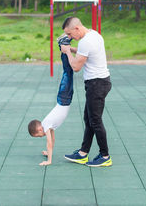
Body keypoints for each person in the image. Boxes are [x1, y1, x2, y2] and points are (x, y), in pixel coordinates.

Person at [60, 17, 112, 167]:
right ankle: (83, 153)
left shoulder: (85, 41)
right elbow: (85, 54)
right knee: (89, 119)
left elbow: (76, 67)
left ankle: (105, 156)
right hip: (99, 82)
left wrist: (67, 53)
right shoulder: (94, 34)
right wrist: (71, 49)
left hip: (97, 84)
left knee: (95, 121)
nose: (70, 38)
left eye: (69, 34)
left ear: (77, 28)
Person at [28, 32, 73, 166]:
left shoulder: (46, 124)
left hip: (64, 98)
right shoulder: (49, 125)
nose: (40, 137)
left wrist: (49, 161)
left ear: (39, 130)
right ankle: (63, 44)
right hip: (64, 99)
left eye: (38, 136)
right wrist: (49, 151)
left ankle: (63, 43)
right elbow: (52, 139)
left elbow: (48, 141)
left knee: (68, 71)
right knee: (68, 71)